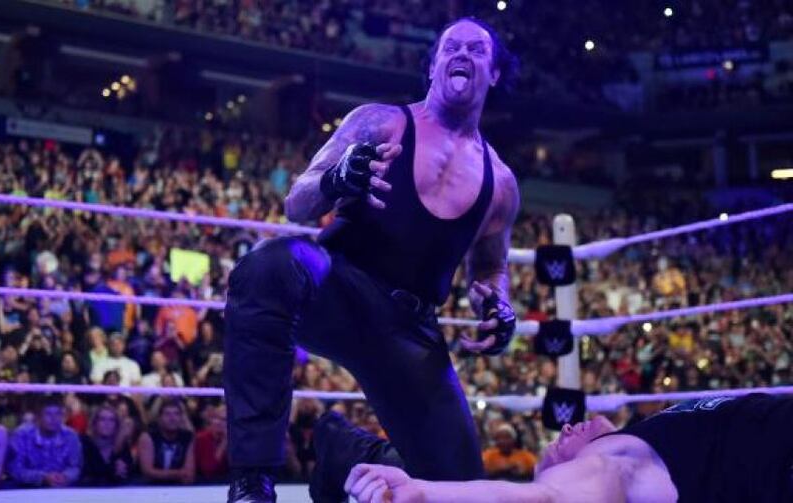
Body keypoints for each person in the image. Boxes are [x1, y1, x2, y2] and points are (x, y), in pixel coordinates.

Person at [224, 16, 520, 502]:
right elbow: (297, 203)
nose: (462, 54)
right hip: (338, 287)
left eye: (476, 49)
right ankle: (252, 478)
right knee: (269, 264)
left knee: (459, 488)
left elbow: (490, 267)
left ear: (495, 73)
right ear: (433, 66)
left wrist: (498, 306)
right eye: (451, 47)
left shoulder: (501, 183)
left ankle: (345, 452)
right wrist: (336, 179)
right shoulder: (380, 122)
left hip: (409, 329)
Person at [344, 394, 793, 503]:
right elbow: (547, 497)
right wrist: (424, 491)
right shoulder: (613, 459)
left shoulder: (652, 435)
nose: (564, 430)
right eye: (554, 450)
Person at [7, 395, 82, 487]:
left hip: (62, 487)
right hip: (27, 488)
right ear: (38, 417)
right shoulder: (22, 435)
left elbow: (75, 467)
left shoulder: (70, 436)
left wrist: (65, 476)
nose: (54, 419)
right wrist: (43, 477)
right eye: (48, 414)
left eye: (58, 414)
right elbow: (15, 469)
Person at [137, 398, 195, 485]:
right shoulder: (147, 437)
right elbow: (148, 472)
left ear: (181, 418)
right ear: (159, 418)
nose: (172, 418)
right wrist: (179, 474)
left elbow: (189, 474)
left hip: (177, 486)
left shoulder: (188, 437)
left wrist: (173, 475)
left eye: (176, 414)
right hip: (149, 486)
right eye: (167, 414)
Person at [80, 404, 134, 486]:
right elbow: (85, 475)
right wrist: (112, 471)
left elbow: (128, 472)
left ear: (117, 425)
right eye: (102, 419)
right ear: (94, 423)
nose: (107, 423)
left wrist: (123, 470)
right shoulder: (85, 443)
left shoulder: (122, 445)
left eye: (111, 420)